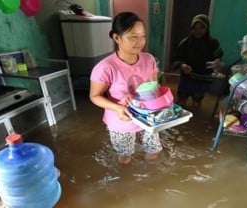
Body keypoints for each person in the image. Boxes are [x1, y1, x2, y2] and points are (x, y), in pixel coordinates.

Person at [89, 12, 162, 165]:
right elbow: (95, 96)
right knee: (125, 156)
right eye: (133, 36)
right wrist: (117, 107)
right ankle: (127, 182)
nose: (140, 42)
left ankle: (150, 183)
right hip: (122, 118)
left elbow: (155, 86)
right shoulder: (105, 67)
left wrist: (162, 103)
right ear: (117, 38)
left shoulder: (149, 60)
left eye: (143, 36)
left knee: (153, 150)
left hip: (147, 116)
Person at [172, 14, 223, 108]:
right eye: (195, 28)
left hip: (203, 79)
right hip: (187, 79)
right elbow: (176, 61)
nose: (198, 31)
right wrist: (182, 65)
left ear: (207, 28)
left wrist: (217, 62)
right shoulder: (185, 43)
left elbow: (219, 56)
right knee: (180, 102)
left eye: (201, 28)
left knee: (196, 103)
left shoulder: (213, 43)